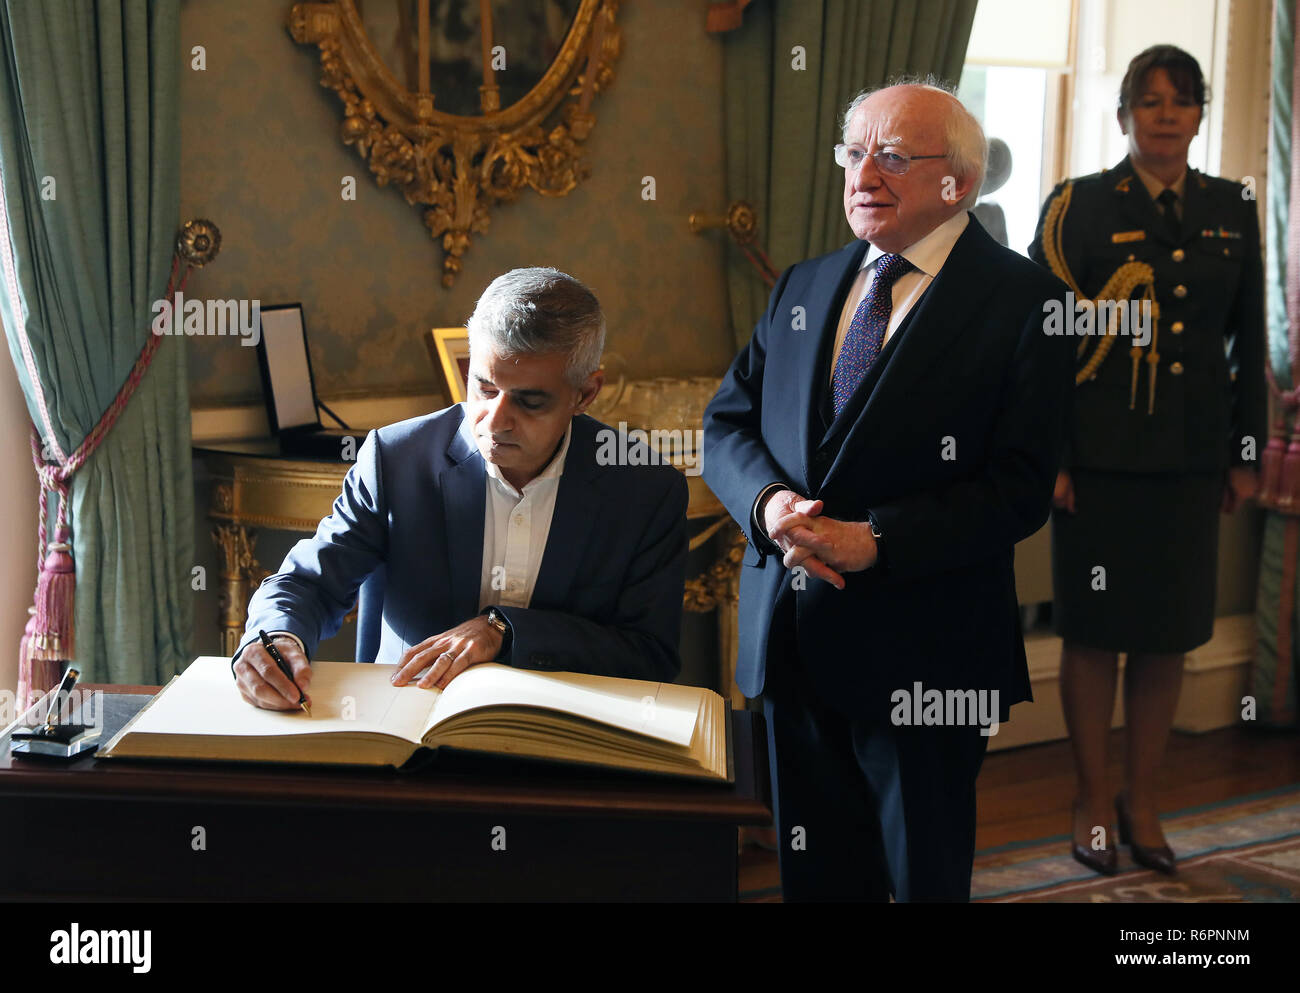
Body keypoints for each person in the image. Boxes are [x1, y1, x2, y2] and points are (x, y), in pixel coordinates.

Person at [703, 80, 1072, 902]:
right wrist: (769, 506)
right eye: (855, 151)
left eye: (895, 156)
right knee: (819, 880)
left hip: (928, 656)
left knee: (920, 881)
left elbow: (1018, 489)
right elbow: (725, 426)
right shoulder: (802, 286)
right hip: (792, 642)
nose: (864, 172)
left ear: (959, 183)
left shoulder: (1028, 305)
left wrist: (877, 539)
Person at [232, 267, 689, 710]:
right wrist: (273, 637)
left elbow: (648, 653)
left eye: (530, 402)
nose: (496, 421)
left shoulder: (645, 490)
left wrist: (505, 631)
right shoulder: (396, 459)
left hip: (560, 743)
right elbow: (309, 583)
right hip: (404, 726)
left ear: (585, 394)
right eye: (485, 388)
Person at [1030, 45, 1265, 876]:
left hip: (1190, 461)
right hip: (1097, 460)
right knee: (1094, 635)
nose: (1166, 114)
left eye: (1182, 100)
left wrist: (1246, 454)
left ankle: (1145, 798)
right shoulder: (1077, 207)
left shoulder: (1234, 207)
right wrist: (1049, 455)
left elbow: (1248, 341)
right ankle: (1092, 800)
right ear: (1123, 113)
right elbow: (1044, 344)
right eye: (1150, 100)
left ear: (1200, 114)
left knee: (1168, 638)